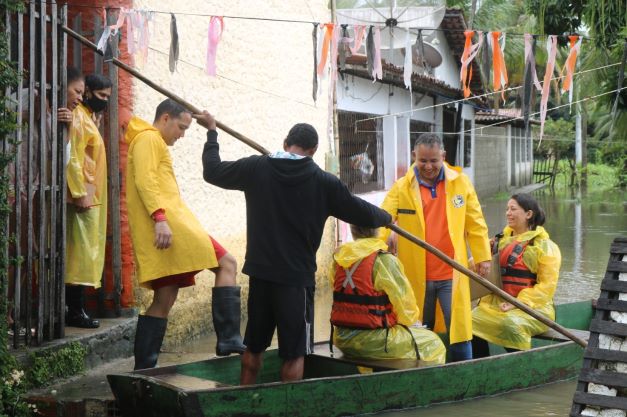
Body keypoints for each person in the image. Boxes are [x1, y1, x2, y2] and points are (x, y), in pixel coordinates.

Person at [200, 116, 392, 384]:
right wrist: (386, 217)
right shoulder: (325, 183)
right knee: (294, 353)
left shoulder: (256, 168)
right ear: (313, 151)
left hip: (260, 274)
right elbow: (361, 212)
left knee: (254, 346)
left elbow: (212, 171)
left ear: (285, 143)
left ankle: (244, 401)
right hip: (295, 281)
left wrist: (212, 133)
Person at [125, 99, 245, 370]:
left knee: (165, 297)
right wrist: (160, 218)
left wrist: (211, 128)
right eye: (180, 127)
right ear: (165, 118)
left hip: (167, 223)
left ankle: (144, 368)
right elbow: (145, 180)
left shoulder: (148, 140)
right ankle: (229, 338)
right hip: (170, 224)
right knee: (227, 263)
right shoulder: (148, 139)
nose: (181, 134)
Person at [379, 133, 491, 362]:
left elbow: (475, 223)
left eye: (433, 161)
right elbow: (382, 219)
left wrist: (483, 258)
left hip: (452, 272)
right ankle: (425, 373)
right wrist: (375, 249)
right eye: (423, 161)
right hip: (416, 274)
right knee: (420, 330)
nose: (428, 166)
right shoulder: (402, 188)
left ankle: (465, 374)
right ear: (414, 157)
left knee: (459, 332)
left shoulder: (460, 183)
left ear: (443, 156)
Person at [330, 224, 446, 364]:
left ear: (352, 231)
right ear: (378, 230)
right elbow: (406, 308)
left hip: (342, 339)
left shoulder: (338, 260)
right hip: (374, 340)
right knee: (433, 343)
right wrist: (411, 323)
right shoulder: (384, 260)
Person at [472, 194, 561, 356]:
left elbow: (546, 288)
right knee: (471, 320)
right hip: (497, 303)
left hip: (534, 307)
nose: (508, 213)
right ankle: (480, 365)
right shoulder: (499, 240)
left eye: (513, 209)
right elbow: (477, 264)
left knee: (510, 324)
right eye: (507, 209)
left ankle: (522, 365)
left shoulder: (545, 246)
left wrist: (517, 303)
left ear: (528, 214)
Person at [64, 71, 112, 328]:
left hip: (91, 194)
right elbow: (74, 158)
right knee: (79, 254)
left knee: (84, 252)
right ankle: (75, 310)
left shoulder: (88, 118)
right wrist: (79, 192)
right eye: (101, 95)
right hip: (84, 196)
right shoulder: (79, 119)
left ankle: (75, 308)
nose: (104, 100)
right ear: (89, 93)